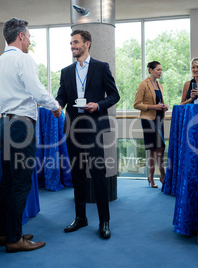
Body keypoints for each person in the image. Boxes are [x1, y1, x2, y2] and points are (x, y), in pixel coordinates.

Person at [0, 17, 62, 253]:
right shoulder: (23, 59)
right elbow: (37, 90)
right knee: (20, 183)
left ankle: (4, 233)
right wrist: (55, 107)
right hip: (21, 126)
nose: (29, 40)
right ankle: (14, 239)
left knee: (8, 181)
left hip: (4, 124)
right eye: (28, 35)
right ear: (20, 36)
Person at [56, 30, 120, 239]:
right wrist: (55, 105)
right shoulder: (66, 72)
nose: (72, 45)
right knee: (77, 174)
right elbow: (61, 97)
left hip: (93, 128)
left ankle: (104, 221)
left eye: (76, 42)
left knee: (98, 174)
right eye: (71, 43)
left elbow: (114, 95)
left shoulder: (101, 67)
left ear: (87, 44)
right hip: (73, 129)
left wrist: (98, 105)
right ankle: (80, 217)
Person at [134, 61, 169, 188]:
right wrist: (153, 106)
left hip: (159, 119)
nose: (160, 72)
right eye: (158, 70)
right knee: (156, 148)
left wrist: (164, 107)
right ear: (151, 70)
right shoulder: (143, 84)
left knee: (159, 148)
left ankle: (153, 176)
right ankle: (160, 175)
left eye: (161, 70)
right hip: (148, 119)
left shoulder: (160, 85)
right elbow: (136, 104)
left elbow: (159, 102)